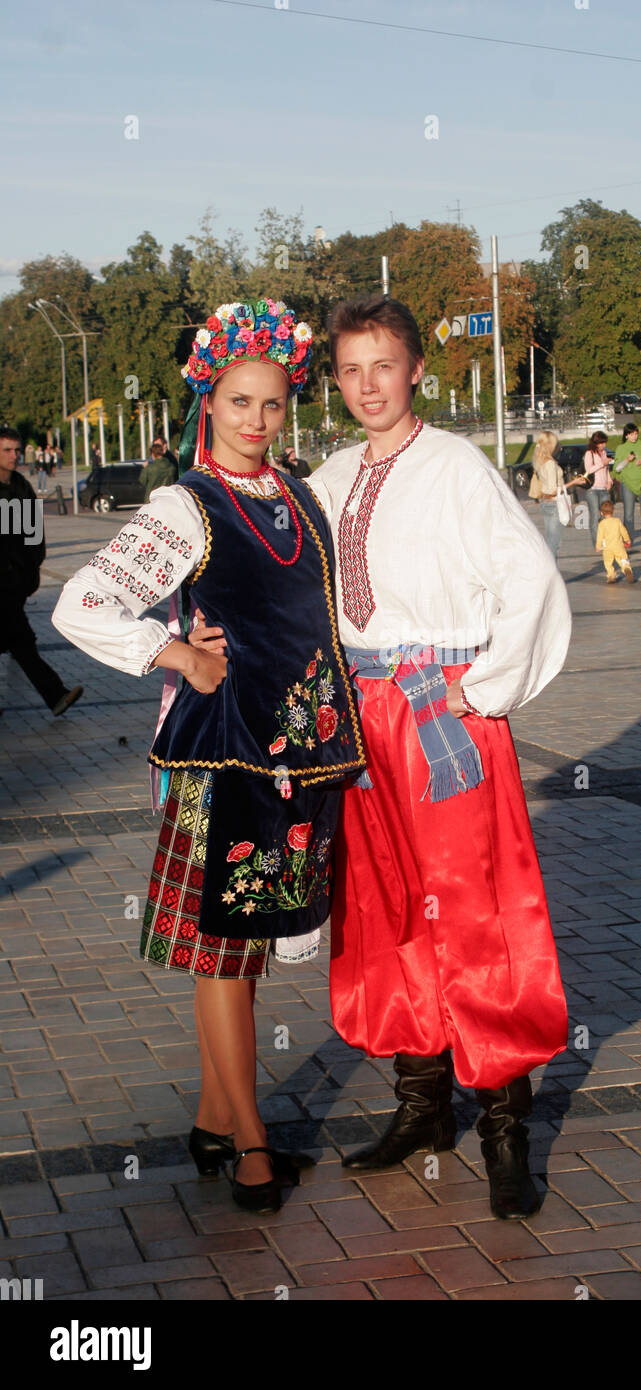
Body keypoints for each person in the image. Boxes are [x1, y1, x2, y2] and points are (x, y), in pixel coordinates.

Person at [52, 299, 366, 1214]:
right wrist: (178, 653)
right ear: (208, 401)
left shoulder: (300, 494)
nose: (258, 422)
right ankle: (255, 1143)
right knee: (225, 951)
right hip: (221, 757)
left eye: (272, 405)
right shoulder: (184, 507)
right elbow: (82, 604)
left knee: (244, 946)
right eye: (239, 403)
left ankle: (210, 1116)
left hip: (296, 754)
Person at [301, 295, 571, 1221]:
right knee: (379, 904)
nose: (368, 385)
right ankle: (422, 1102)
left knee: (476, 910)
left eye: (384, 364)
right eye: (350, 369)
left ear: (415, 367)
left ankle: (504, 1125)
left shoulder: (455, 465)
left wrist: (485, 683)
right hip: (358, 721)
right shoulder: (330, 477)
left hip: (437, 718)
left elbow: (528, 576)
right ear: (334, 379)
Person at [0, 427, 83, 717]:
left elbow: (33, 533)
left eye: (17, 450)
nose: (15, 455)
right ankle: (56, 695)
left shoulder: (20, 486)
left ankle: (56, 696)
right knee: (23, 642)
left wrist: (32, 567)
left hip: (16, 581)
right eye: (7, 450)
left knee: (19, 641)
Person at [527, 429, 584, 562]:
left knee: (550, 540)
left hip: (545, 502)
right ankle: (552, 574)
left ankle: (550, 572)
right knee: (554, 543)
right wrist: (574, 482)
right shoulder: (550, 463)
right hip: (554, 502)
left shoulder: (540, 461)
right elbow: (553, 489)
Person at [612, 423, 641, 545]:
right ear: (626, 435)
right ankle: (627, 539)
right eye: (631, 434)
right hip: (627, 483)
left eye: (636, 434)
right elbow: (617, 468)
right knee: (628, 513)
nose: (634, 437)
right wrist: (627, 460)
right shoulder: (621, 448)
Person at [582, 429, 611, 547]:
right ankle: (597, 542)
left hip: (604, 488)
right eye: (601, 443)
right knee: (595, 515)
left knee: (606, 514)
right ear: (595, 443)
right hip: (593, 489)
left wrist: (609, 480)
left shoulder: (603, 453)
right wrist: (602, 464)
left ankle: (606, 539)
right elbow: (589, 469)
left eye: (604, 443)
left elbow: (606, 469)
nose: (603, 445)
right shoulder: (589, 453)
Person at [595, 499, 634, 584]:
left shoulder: (601, 524)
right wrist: (627, 539)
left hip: (607, 548)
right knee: (623, 559)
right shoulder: (617, 521)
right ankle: (626, 568)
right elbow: (623, 531)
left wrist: (598, 546)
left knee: (608, 563)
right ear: (613, 511)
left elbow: (599, 536)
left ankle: (611, 575)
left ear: (601, 513)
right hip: (618, 546)